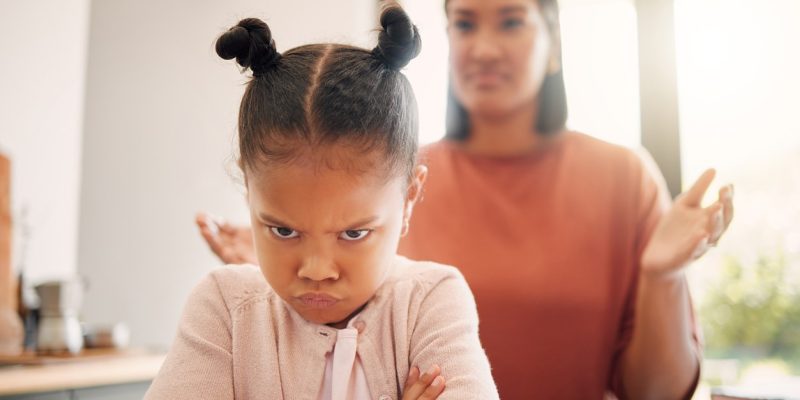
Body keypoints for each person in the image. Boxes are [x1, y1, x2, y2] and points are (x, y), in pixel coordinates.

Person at [196, 0, 735, 398]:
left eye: (511, 20)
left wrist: (661, 276)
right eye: (465, 23)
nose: (482, 46)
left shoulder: (622, 177)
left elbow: (659, 393)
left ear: (554, 45)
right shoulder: (370, 177)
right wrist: (276, 284)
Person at [147, 5, 500, 400]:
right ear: (249, 188)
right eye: (284, 230)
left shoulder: (431, 299)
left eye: (354, 233)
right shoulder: (224, 308)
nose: (317, 270)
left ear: (409, 198)